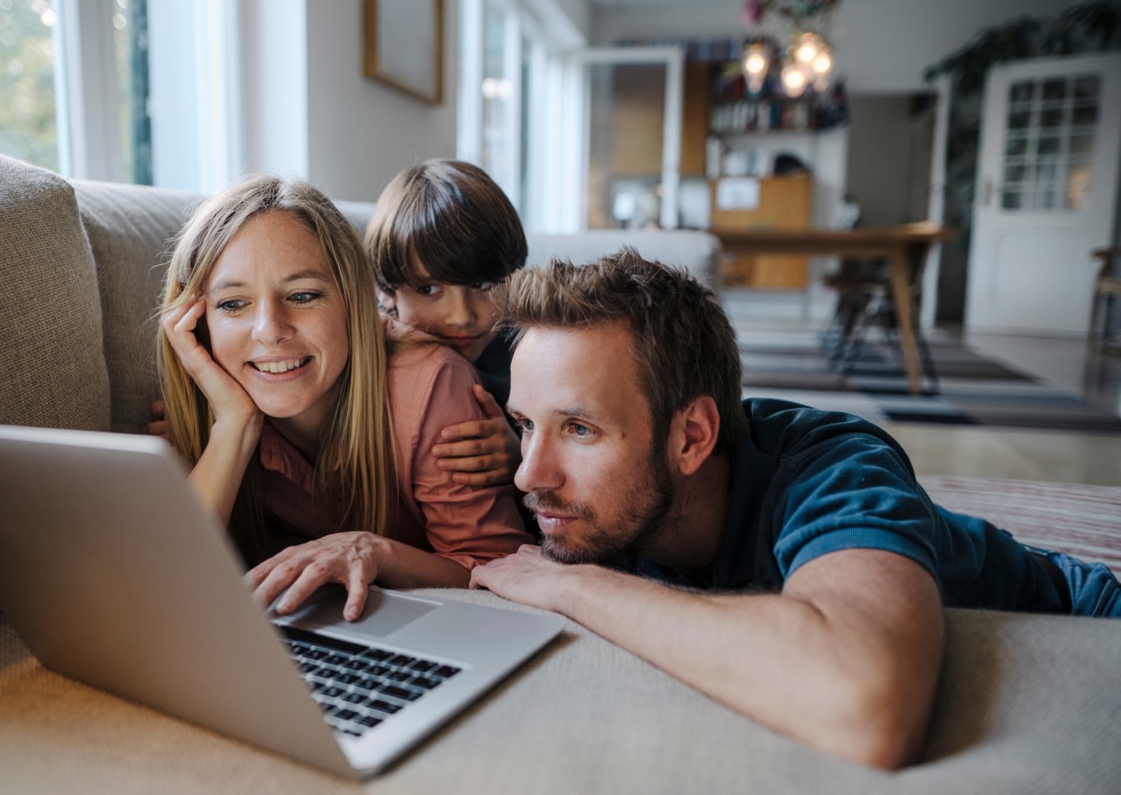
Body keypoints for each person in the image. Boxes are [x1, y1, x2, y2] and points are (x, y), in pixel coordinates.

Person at [470, 249, 1121, 771]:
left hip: (1083, 622)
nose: (530, 473)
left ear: (692, 436)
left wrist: (570, 584)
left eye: (579, 429)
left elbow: (864, 705)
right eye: (525, 423)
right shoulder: (582, 494)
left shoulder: (833, 466)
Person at [158, 175, 532, 621]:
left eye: (302, 295)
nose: (270, 331)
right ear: (198, 323)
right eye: (233, 304)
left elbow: (499, 574)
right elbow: (162, 593)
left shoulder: (437, 381)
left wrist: (376, 551)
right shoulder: (213, 393)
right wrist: (233, 428)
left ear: (355, 301)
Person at [364, 158, 527, 489]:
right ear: (385, 291)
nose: (461, 316)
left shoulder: (533, 357)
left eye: (482, 285)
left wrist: (523, 458)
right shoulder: (367, 366)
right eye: (428, 289)